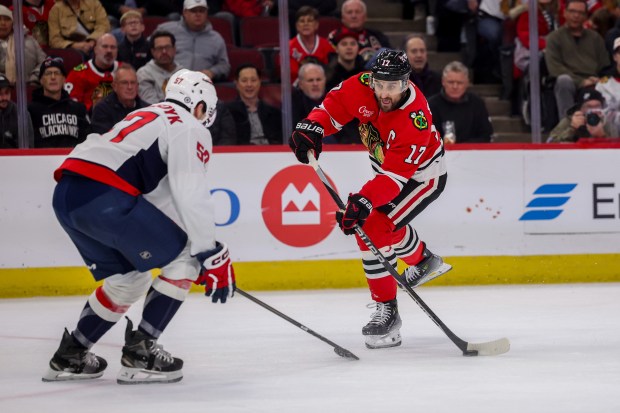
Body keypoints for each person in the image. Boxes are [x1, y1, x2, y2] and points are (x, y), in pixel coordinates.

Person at [42, 69, 236, 385]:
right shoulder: (189, 127)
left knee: (129, 278)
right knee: (185, 255)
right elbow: (191, 193)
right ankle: (141, 353)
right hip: (104, 197)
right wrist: (205, 251)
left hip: (68, 195)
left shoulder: (147, 113)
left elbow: (154, 204)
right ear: (200, 106)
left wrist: (193, 252)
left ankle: (71, 354)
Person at [288, 49, 451, 349]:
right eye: (380, 84)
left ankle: (387, 312)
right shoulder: (361, 84)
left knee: (373, 228)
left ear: (406, 84)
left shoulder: (415, 119)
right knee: (382, 225)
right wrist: (312, 128)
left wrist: (363, 200)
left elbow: (395, 179)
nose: (385, 93)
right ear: (371, 78)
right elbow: (331, 108)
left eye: (393, 86)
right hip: (386, 171)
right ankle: (423, 260)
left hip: (420, 178)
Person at [544, 0, 610, 120]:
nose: (576, 16)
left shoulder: (595, 38)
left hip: (594, 81)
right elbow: (555, 68)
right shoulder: (554, 38)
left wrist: (601, 81)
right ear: (564, 13)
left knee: (610, 84)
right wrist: (581, 82)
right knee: (564, 80)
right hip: (570, 82)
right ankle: (568, 128)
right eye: (572, 11)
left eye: (580, 12)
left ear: (585, 16)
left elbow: (606, 67)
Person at [156, 0, 230, 82]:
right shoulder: (165, 30)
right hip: (169, 81)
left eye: (201, 11)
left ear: (206, 13)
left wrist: (212, 72)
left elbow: (224, 65)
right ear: (184, 12)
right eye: (193, 11)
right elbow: (150, 52)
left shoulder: (216, 38)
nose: (198, 14)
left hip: (201, 85)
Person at [28, 57, 90, 147]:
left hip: (73, 158)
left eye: (57, 73)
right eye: (48, 73)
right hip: (42, 159)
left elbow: (88, 139)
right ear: (41, 80)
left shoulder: (78, 109)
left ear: (64, 79)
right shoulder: (31, 110)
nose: (53, 77)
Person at [428, 61, 494, 143]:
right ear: (443, 82)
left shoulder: (477, 103)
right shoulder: (430, 105)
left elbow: (486, 135)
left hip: (472, 153)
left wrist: (463, 148)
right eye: (451, 82)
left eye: (459, 83)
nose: (455, 86)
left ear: (467, 83)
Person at [225, 63, 282, 145]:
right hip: (242, 154)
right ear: (237, 84)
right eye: (244, 81)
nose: (249, 85)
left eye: (253, 80)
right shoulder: (228, 112)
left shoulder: (274, 112)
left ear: (260, 82)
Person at [65, 33, 122, 112]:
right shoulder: (78, 73)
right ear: (95, 50)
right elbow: (70, 106)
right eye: (105, 46)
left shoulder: (125, 70)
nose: (109, 51)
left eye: (113, 47)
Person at [90, 65, 149, 134]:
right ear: (115, 86)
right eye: (124, 83)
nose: (130, 87)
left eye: (133, 83)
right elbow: (103, 140)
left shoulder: (147, 109)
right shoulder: (102, 110)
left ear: (137, 86)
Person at [547, 87, 619, 141]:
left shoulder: (606, 121)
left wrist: (602, 136)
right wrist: (572, 129)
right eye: (589, 107)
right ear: (580, 108)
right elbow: (549, 144)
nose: (593, 110)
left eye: (597, 106)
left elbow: (616, 149)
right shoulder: (569, 120)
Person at [0, 5, 47, 86]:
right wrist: (4, 83)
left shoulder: (29, 40)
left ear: (12, 22)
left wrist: (34, 79)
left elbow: (44, 62)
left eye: (7, 19)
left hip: (29, 87)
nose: (3, 23)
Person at [289, 6, 335, 83]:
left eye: (310, 21)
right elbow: (291, 74)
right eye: (302, 21)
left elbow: (330, 71)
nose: (305, 24)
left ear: (316, 25)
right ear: (297, 26)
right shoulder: (289, 47)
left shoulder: (327, 45)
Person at [137, 31, 184, 104]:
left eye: (167, 47)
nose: (164, 52)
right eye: (159, 48)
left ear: (174, 49)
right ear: (152, 51)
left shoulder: (183, 73)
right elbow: (150, 104)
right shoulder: (144, 73)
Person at [402, 33, 442, 97]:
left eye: (422, 51)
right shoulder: (398, 81)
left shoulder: (438, 79)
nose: (419, 55)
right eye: (414, 51)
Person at [1, 74, 34, 148]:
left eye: (7, 93)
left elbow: (29, 147)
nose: (4, 98)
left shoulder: (21, 114)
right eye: (0, 94)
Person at [292, 62, 327, 128]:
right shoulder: (294, 104)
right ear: (301, 84)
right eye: (310, 80)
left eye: (318, 79)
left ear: (325, 81)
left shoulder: (334, 99)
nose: (315, 84)